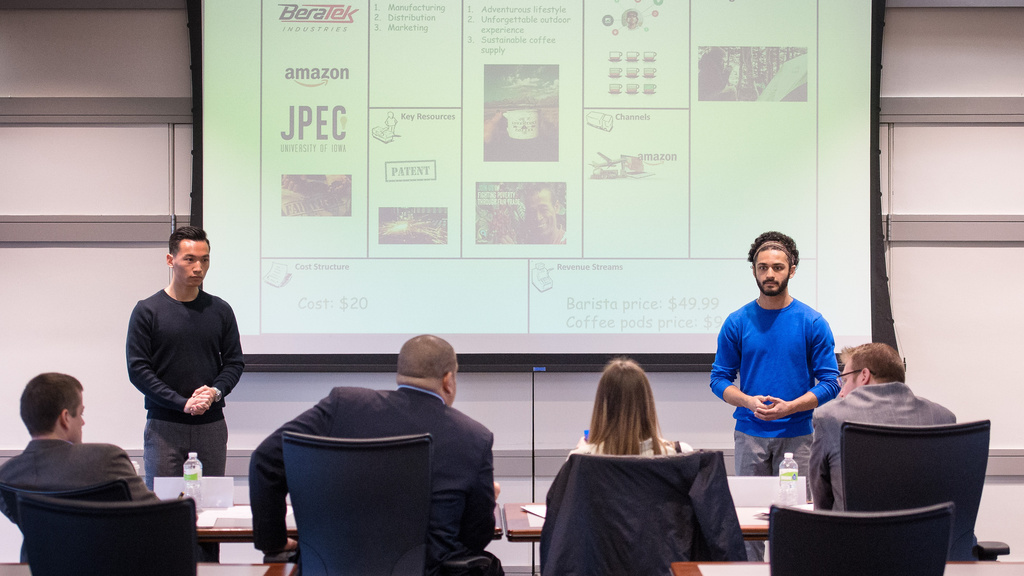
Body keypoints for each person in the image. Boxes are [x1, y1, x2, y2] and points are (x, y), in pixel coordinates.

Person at [249, 335, 503, 576]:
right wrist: (484, 500)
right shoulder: (473, 437)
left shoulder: (342, 405)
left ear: (400, 374)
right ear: (448, 380)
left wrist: (274, 542)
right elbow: (475, 539)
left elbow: (265, 460)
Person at [709, 231, 839, 559]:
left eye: (778, 267)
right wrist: (748, 401)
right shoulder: (737, 322)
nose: (770, 274)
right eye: (763, 267)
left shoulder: (813, 322)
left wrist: (792, 407)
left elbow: (830, 382)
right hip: (749, 437)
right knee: (748, 529)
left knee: (797, 528)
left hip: (798, 439)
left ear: (792, 270)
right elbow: (719, 379)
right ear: (753, 270)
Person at [126, 226, 244, 489]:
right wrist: (182, 403)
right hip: (164, 427)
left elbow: (234, 362)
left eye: (205, 260)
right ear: (170, 260)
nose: (198, 267)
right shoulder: (148, 311)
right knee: (164, 508)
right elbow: (139, 370)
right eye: (189, 259)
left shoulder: (220, 310)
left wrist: (214, 392)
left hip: (211, 425)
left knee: (212, 504)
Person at [809, 342, 956, 510]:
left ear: (864, 376)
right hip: (927, 534)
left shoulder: (830, 417)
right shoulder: (943, 417)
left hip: (854, 534)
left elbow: (822, 505)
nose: (841, 392)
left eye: (845, 380)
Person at [0, 373, 157, 523]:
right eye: (81, 414)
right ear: (65, 418)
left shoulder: (7, 475)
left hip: (40, 552)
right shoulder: (107, 459)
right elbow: (157, 514)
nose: (83, 422)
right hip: (104, 551)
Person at [570, 358, 692, 456]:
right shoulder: (680, 454)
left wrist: (579, 456)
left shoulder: (580, 459)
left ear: (602, 406)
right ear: (646, 403)